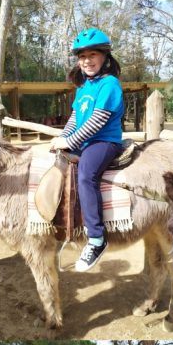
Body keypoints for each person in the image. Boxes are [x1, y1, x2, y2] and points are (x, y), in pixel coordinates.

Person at [49, 29, 124, 272]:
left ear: (105, 57)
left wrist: (70, 141)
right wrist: (63, 136)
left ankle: (96, 239)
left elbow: (97, 121)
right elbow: (75, 117)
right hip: (85, 141)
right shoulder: (83, 87)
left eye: (93, 55)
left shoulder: (109, 84)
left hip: (104, 141)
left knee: (86, 175)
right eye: (82, 56)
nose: (87, 61)